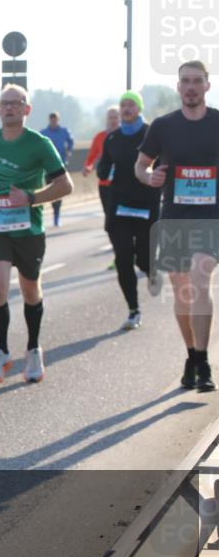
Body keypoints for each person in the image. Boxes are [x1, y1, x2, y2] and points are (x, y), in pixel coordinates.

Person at [0, 85, 74, 383]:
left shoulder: (39, 144)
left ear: (26, 109)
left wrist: (30, 197)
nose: (9, 108)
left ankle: (33, 348)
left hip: (29, 229)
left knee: (30, 290)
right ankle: (1, 352)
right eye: (4, 103)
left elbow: (66, 186)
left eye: (15, 103)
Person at [136, 60, 219, 392]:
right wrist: (149, 177)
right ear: (178, 86)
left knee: (201, 277)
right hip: (173, 217)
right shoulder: (163, 126)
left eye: (197, 81)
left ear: (207, 86)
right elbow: (141, 166)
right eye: (185, 81)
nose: (191, 87)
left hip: (211, 216)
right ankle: (190, 354)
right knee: (182, 291)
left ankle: (203, 361)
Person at [97, 91, 160, 331]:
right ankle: (133, 310)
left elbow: (166, 164)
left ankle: (150, 269)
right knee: (123, 259)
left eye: (131, 104)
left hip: (147, 206)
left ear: (139, 108)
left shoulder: (151, 135)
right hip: (120, 207)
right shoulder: (112, 138)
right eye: (123, 105)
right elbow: (103, 170)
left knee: (143, 258)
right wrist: (107, 172)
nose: (126, 109)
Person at [84, 107, 122, 270]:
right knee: (111, 223)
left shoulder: (127, 136)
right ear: (106, 119)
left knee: (124, 221)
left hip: (123, 186)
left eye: (115, 117)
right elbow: (91, 157)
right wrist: (88, 167)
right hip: (105, 186)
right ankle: (119, 255)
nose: (113, 120)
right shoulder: (100, 137)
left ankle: (128, 252)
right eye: (110, 117)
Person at [40, 112, 75, 227]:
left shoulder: (64, 131)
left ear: (58, 120)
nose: (54, 122)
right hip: (47, 168)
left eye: (55, 120)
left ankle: (57, 215)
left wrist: (69, 150)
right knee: (49, 191)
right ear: (49, 120)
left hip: (61, 166)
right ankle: (53, 211)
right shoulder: (44, 133)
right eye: (52, 120)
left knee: (59, 190)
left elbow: (71, 141)